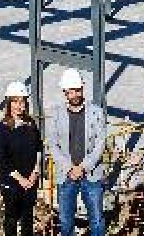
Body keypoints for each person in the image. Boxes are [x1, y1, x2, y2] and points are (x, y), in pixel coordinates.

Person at [46, 68, 107, 236]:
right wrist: (69, 168)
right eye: (70, 91)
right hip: (66, 176)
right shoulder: (57, 114)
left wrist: (84, 167)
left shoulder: (96, 112)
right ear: (65, 92)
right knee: (66, 220)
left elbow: (100, 144)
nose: (74, 95)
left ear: (82, 89)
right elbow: (53, 144)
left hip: (92, 175)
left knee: (96, 219)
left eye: (77, 90)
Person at [0, 81, 42, 236]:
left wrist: (35, 172)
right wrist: (20, 179)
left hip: (30, 181)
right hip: (11, 182)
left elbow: (39, 148)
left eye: (22, 101)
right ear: (9, 104)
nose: (19, 105)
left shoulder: (30, 124)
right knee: (12, 217)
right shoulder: (2, 128)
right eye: (15, 101)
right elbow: (2, 158)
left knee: (28, 217)